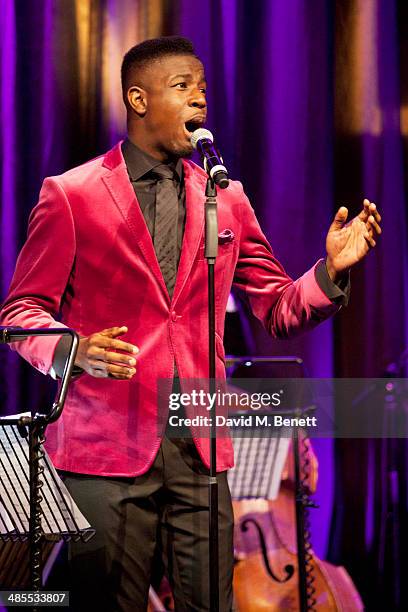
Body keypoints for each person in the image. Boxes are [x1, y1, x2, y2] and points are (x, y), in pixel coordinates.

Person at [0, 36, 381, 611]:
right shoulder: (72, 194)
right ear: (138, 99)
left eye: (203, 89)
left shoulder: (226, 199)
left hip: (200, 446)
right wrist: (72, 350)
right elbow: (20, 314)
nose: (200, 100)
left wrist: (329, 271)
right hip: (106, 447)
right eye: (182, 87)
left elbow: (277, 306)